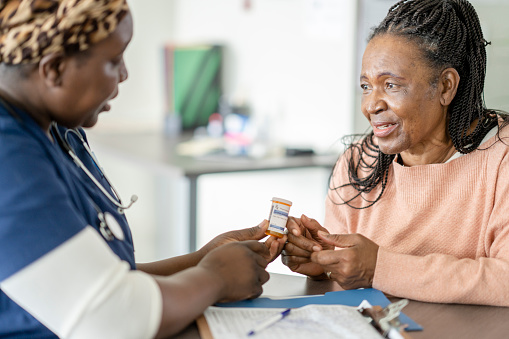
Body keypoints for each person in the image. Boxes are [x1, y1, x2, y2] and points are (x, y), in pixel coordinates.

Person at [0, 1, 286, 338]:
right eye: (114, 60)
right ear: (54, 69)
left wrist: (202, 259)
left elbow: (97, 282)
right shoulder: (9, 158)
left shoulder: (58, 131)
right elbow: (110, 319)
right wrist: (216, 277)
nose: (124, 74)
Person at [282, 0, 509, 307]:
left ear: (445, 86)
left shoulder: (501, 160)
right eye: (365, 86)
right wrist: (325, 263)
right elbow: (350, 278)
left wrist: (379, 267)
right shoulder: (356, 165)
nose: (371, 106)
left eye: (390, 85)